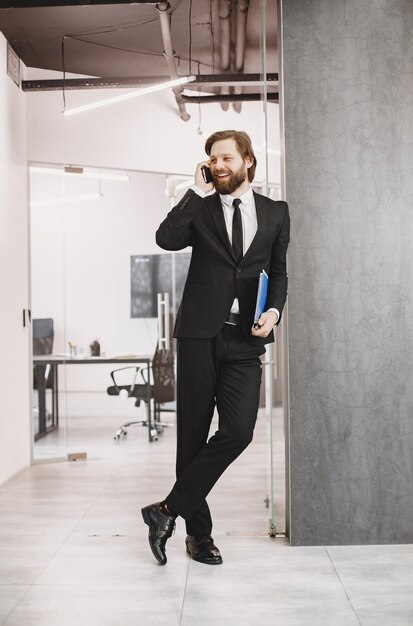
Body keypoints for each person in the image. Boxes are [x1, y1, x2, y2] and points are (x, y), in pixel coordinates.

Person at [141, 129, 290, 566]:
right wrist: (191, 190)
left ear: (248, 160)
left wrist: (275, 312)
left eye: (226, 157)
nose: (219, 165)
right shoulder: (201, 210)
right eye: (212, 159)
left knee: (239, 431)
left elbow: (279, 273)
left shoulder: (276, 212)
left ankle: (165, 510)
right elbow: (165, 239)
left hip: (246, 339)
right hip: (198, 335)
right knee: (191, 437)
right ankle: (198, 536)